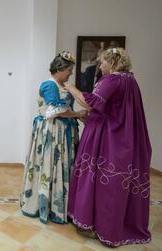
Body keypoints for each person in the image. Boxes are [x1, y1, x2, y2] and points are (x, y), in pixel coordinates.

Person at [65, 47, 152, 247]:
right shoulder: (131, 81)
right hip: (124, 137)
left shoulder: (113, 80)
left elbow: (90, 104)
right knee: (115, 183)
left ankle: (97, 225)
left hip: (106, 138)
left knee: (102, 181)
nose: (100, 66)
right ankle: (111, 223)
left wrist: (70, 87)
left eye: (102, 62)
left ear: (112, 63)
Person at [20, 51, 87, 224]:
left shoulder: (62, 85)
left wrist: (77, 115)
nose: (71, 73)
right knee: (50, 165)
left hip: (64, 132)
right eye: (69, 70)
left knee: (62, 166)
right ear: (60, 68)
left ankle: (61, 206)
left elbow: (65, 110)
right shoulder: (49, 85)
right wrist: (77, 113)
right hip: (53, 131)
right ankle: (47, 206)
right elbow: (55, 111)